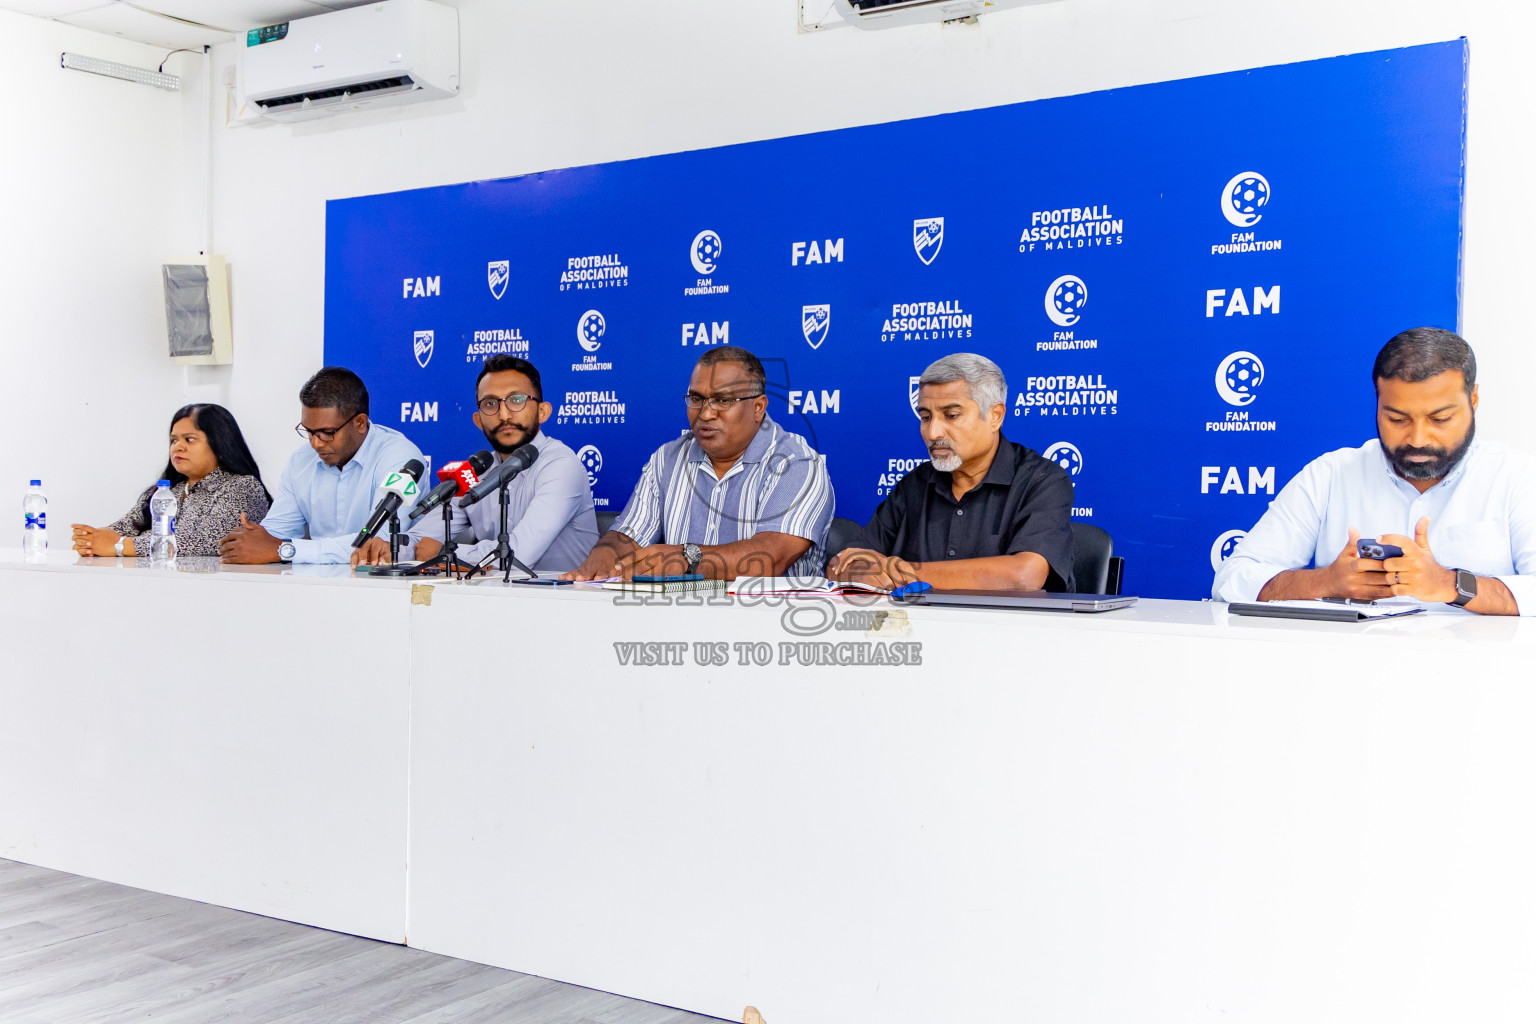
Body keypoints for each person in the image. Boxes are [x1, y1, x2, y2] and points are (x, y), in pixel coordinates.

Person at [1212, 327, 1536, 614]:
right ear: (1378, 402)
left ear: (1474, 399)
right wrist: (1326, 582)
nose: (1418, 438)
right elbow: (1232, 579)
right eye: (1398, 419)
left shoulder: (1516, 476)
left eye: (1439, 419)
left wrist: (1451, 584)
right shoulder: (1331, 474)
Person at [563, 346, 834, 581]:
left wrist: (686, 558)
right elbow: (628, 534)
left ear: (758, 407)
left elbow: (770, 557)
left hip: (766, 623)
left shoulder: (796, 462)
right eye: (696, 399)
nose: (705, 413)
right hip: (676, 619)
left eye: (723, 400)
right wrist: (605, 553)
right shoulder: (667, 459)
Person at [827, 353, 1074, 591]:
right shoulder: (914, 484)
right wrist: (862, 570)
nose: (933, 432)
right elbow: (842, 566)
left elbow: (1024, 575)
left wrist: (898, 570)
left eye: (951, 415)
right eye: (925, 417)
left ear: (995, 416)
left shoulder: (1043, 481)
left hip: (1009, 631)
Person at [394, 355, 598, 572]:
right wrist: (390, 547)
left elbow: (518, 557)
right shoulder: (477, 471)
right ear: (478, 420)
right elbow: (422, 540)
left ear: (542, 412)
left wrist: (445, 554)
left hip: (562, 599)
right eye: (491, 404)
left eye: (516, 400)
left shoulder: (561, 465)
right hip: (492, 596)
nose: (504, 414)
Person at [219, 366, 425, 565]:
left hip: (384, 586)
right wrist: (248, 541)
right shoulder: (301, 460)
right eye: (309, 431)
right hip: (316, 586)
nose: (315, 443)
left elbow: (377, 544)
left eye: (327, 433)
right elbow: (276, 534)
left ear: (360, 423)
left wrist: (285, 550)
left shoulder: (400, 457)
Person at [71, 404, 270, 558]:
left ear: (220, 444)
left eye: (189, 439)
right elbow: (124, 526)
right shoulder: (171, 490)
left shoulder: (242, 487)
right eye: (174, 440)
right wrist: (91, 539)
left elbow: (209, 543)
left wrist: (120, 546)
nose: (178, 447)